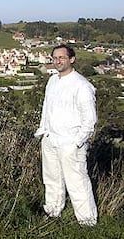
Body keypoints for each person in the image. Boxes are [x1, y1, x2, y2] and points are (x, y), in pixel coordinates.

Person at [34, 44, 98, 226]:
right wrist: (43, 131)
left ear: (72, 59)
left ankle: (87, 221)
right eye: (55, 57)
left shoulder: (82, 85)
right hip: (51, 138)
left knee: (77, 182)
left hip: (70, 142)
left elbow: (90, 120)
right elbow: (47, 108)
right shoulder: (52, 80)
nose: (58, 61)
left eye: (62, 57)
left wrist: (76, 143)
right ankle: (53, 211)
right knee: (52, 178)